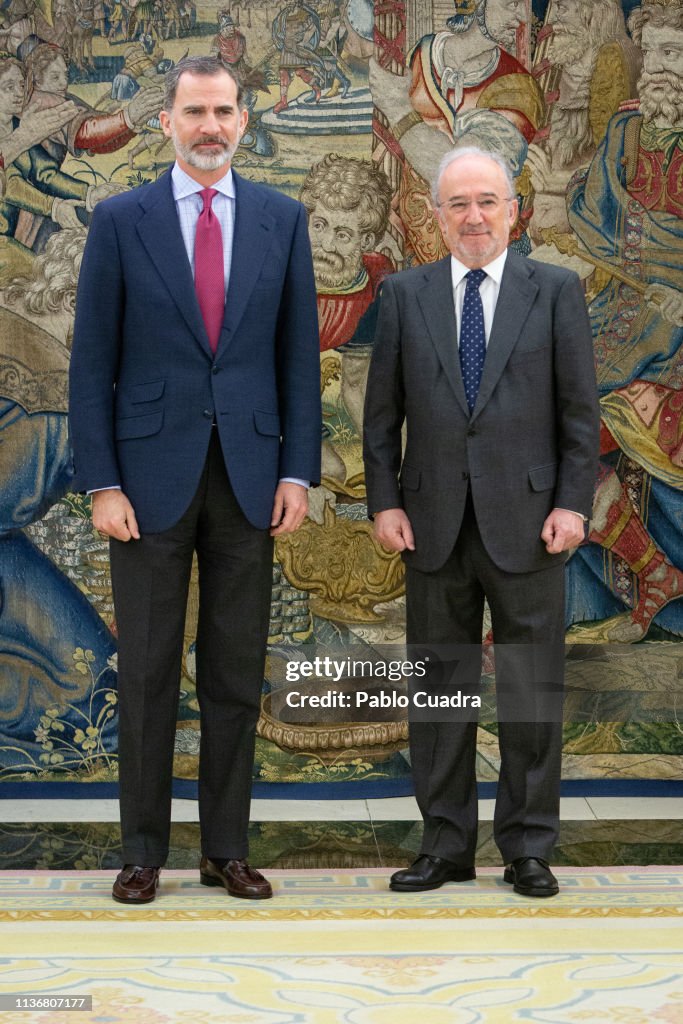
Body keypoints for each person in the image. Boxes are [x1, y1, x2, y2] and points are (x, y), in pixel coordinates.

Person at [68, 55, 321, 905]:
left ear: (243, 120)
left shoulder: (281, 219)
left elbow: (297, 359)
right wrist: (101, 479)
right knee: (144, 671)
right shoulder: (120, 219)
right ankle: (142, 850)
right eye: (194, 112)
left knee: (233, 674)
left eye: (223, 111)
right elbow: (91, 361)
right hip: (145, 482)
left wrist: (297, 469)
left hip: (250, 477)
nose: (209, 126)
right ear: (169, 122)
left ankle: (224, 849)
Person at [363, 146, 599, 898]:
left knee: (530, 693)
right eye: (457, 203)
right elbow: (380, 420)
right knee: (440, 693)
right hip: (429, 522)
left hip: (531, 523)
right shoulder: (403, 294)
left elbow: (577, 414)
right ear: (435, 215)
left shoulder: (555, 291)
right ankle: (444, 846)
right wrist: (383, 502)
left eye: (486, 201)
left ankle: (527, 848)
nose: (472, 216)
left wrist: (571, 503)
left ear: (512, 209)